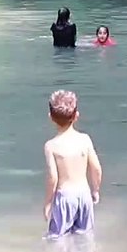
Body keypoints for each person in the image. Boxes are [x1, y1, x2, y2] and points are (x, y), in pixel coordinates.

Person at [44, 90, 103, 239]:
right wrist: (95, 190)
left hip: (65, 197)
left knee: (57, 238)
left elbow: (53, 177)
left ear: (50, 117)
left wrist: (48, 203)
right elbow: (96, 168)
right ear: (76, 116)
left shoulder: (51, 146)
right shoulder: (85, 139)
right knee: (84, 236)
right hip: (84, 195)